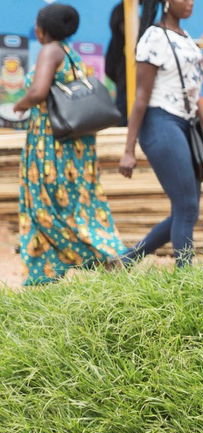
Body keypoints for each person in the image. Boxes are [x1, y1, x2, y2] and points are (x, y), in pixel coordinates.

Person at [11, 3, 124, 286]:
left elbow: (38, 92)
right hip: (76, 146)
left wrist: (20, 105)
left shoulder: (50, 51)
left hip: (52, 144)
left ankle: (101, 254)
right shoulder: (71, 53)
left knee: (46, 206)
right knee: (75, 204)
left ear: (42, 30)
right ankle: (50, 272)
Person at [117, 0, 203, 268]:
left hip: (187, 125)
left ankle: (128, 259)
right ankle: (185, 279)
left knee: (187, 209)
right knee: (187, 206)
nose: (191, 2)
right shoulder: (153, 37)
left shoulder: (186, 38)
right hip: (160, 122)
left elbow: (193, 94)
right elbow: (141, 97)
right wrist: (128, 149)